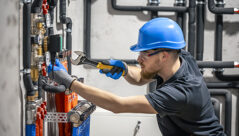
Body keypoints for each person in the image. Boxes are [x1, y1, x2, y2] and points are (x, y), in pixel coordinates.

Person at [48, 18, 225, 136]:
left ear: (164, 55)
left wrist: (70, 83)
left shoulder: (181, 92)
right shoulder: (181, 58)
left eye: (145, 53)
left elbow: (118, 105)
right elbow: (141, 77)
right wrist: (125, 69)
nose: (138, 59)